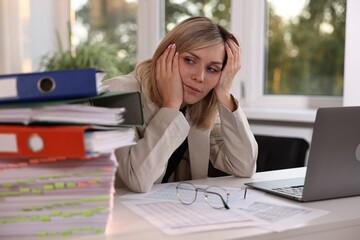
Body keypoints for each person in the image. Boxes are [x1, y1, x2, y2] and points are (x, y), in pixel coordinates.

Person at [104, 16, 258, 193]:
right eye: (190, 60)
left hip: (173, 213)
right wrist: (171, 105)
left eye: (212, 69)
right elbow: (137, 179)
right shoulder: (116, 92)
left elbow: (244, 166)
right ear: (166, 55)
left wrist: (224, 93)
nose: (199, 77)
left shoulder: (203, 103)